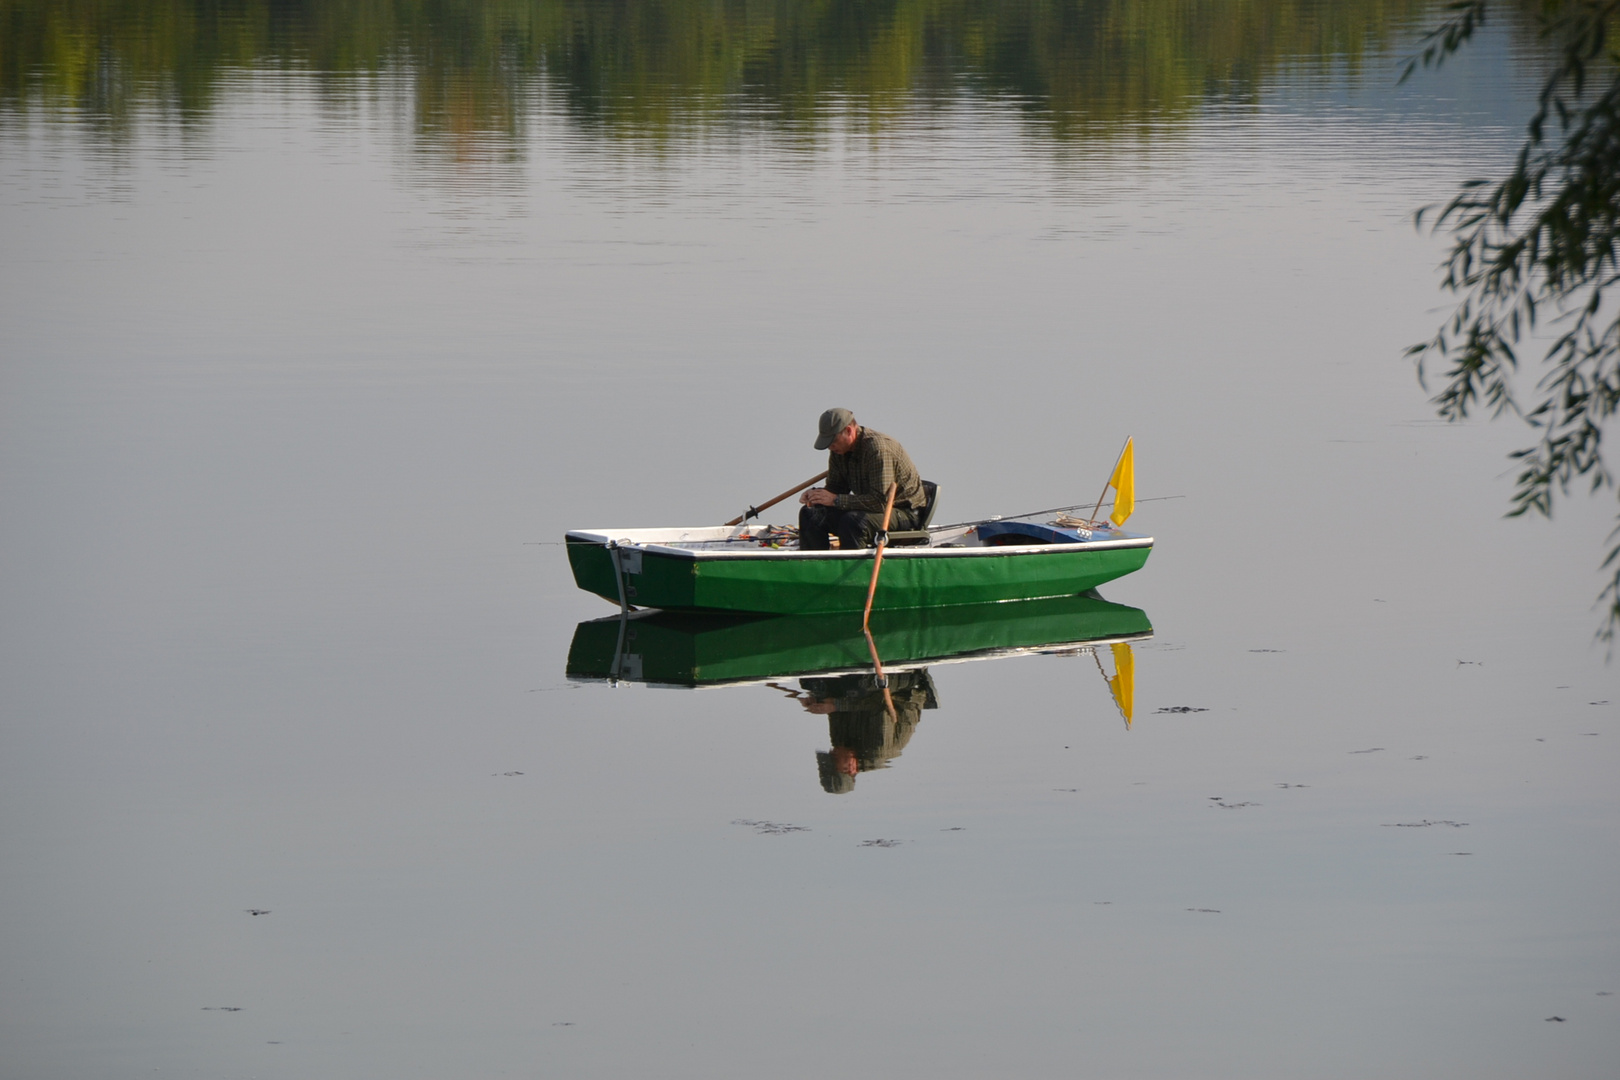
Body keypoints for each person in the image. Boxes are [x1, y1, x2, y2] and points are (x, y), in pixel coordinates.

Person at [797, 408, 925, 550]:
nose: (830, 447)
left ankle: (850, 570)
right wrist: (817, 496)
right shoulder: (839, 451)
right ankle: (815, 567)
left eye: (833, 441)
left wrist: (835, 499)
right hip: (869, 509)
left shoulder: (878, 450)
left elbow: (880, 502)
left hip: (902, 513)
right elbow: (836, 488)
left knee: (853, 521)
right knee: (811, 514)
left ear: (849, 431)